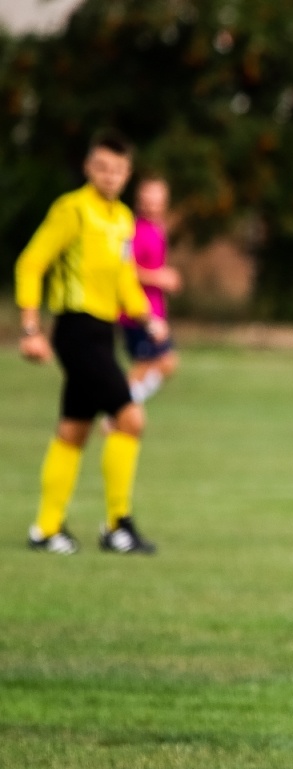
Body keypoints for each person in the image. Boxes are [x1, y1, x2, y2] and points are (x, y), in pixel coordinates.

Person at [17, 130, 167, 555]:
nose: (109, 176)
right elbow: (31, 263)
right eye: (101, 167)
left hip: (103, 331)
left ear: (127, 174)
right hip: (76, 330)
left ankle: (46, 529)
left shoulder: (122, 220)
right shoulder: (72, 210)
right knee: (130, 419)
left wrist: (147, 317)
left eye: (117, 169)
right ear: (88, 168)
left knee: (73, 430)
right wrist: (31, 329)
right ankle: (118, 526)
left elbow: (124, 278)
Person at [121, 176, 182, 404]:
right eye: (148, 198)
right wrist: (159, 277)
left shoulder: (158, 229)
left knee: (164, 363)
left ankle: (122, 407)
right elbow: (125, 270)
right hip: (137, 311)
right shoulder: (135, 230)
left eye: (157, 198)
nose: (152, 203)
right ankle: (119, 409)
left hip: (154, 310)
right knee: (149, 364)